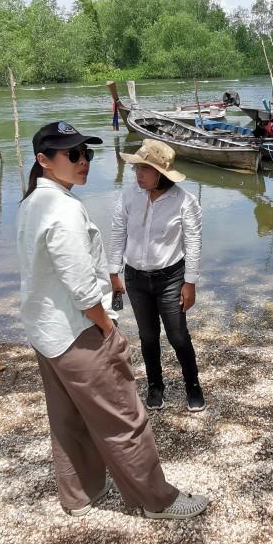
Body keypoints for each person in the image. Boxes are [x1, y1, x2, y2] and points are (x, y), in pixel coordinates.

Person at [17, 120, 209, 520]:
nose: (83, 161)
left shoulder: (32, 201)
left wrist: (188, 281)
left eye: (86, 153)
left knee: (68, 419)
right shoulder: (63, 209)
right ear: (43, 160)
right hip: (78, 332)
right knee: (126, 417)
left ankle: (81, 494)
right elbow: (82, 286)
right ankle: (157, 500)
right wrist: (106, 326)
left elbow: (191, 240)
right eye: (73, 155)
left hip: (46, 330)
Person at [107, 139, 205, 412]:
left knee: (177, 335)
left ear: (160, 174)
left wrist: (190, 282)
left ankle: (192, 384)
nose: (138, 175)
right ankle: (155, 385)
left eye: (145, 170)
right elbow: (118, 235)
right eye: (137, 169)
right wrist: (114, 272)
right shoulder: (128, 196)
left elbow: (193, 243)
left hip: (171, 278)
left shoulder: (185, 201)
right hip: (136, 279)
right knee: (147, 336)